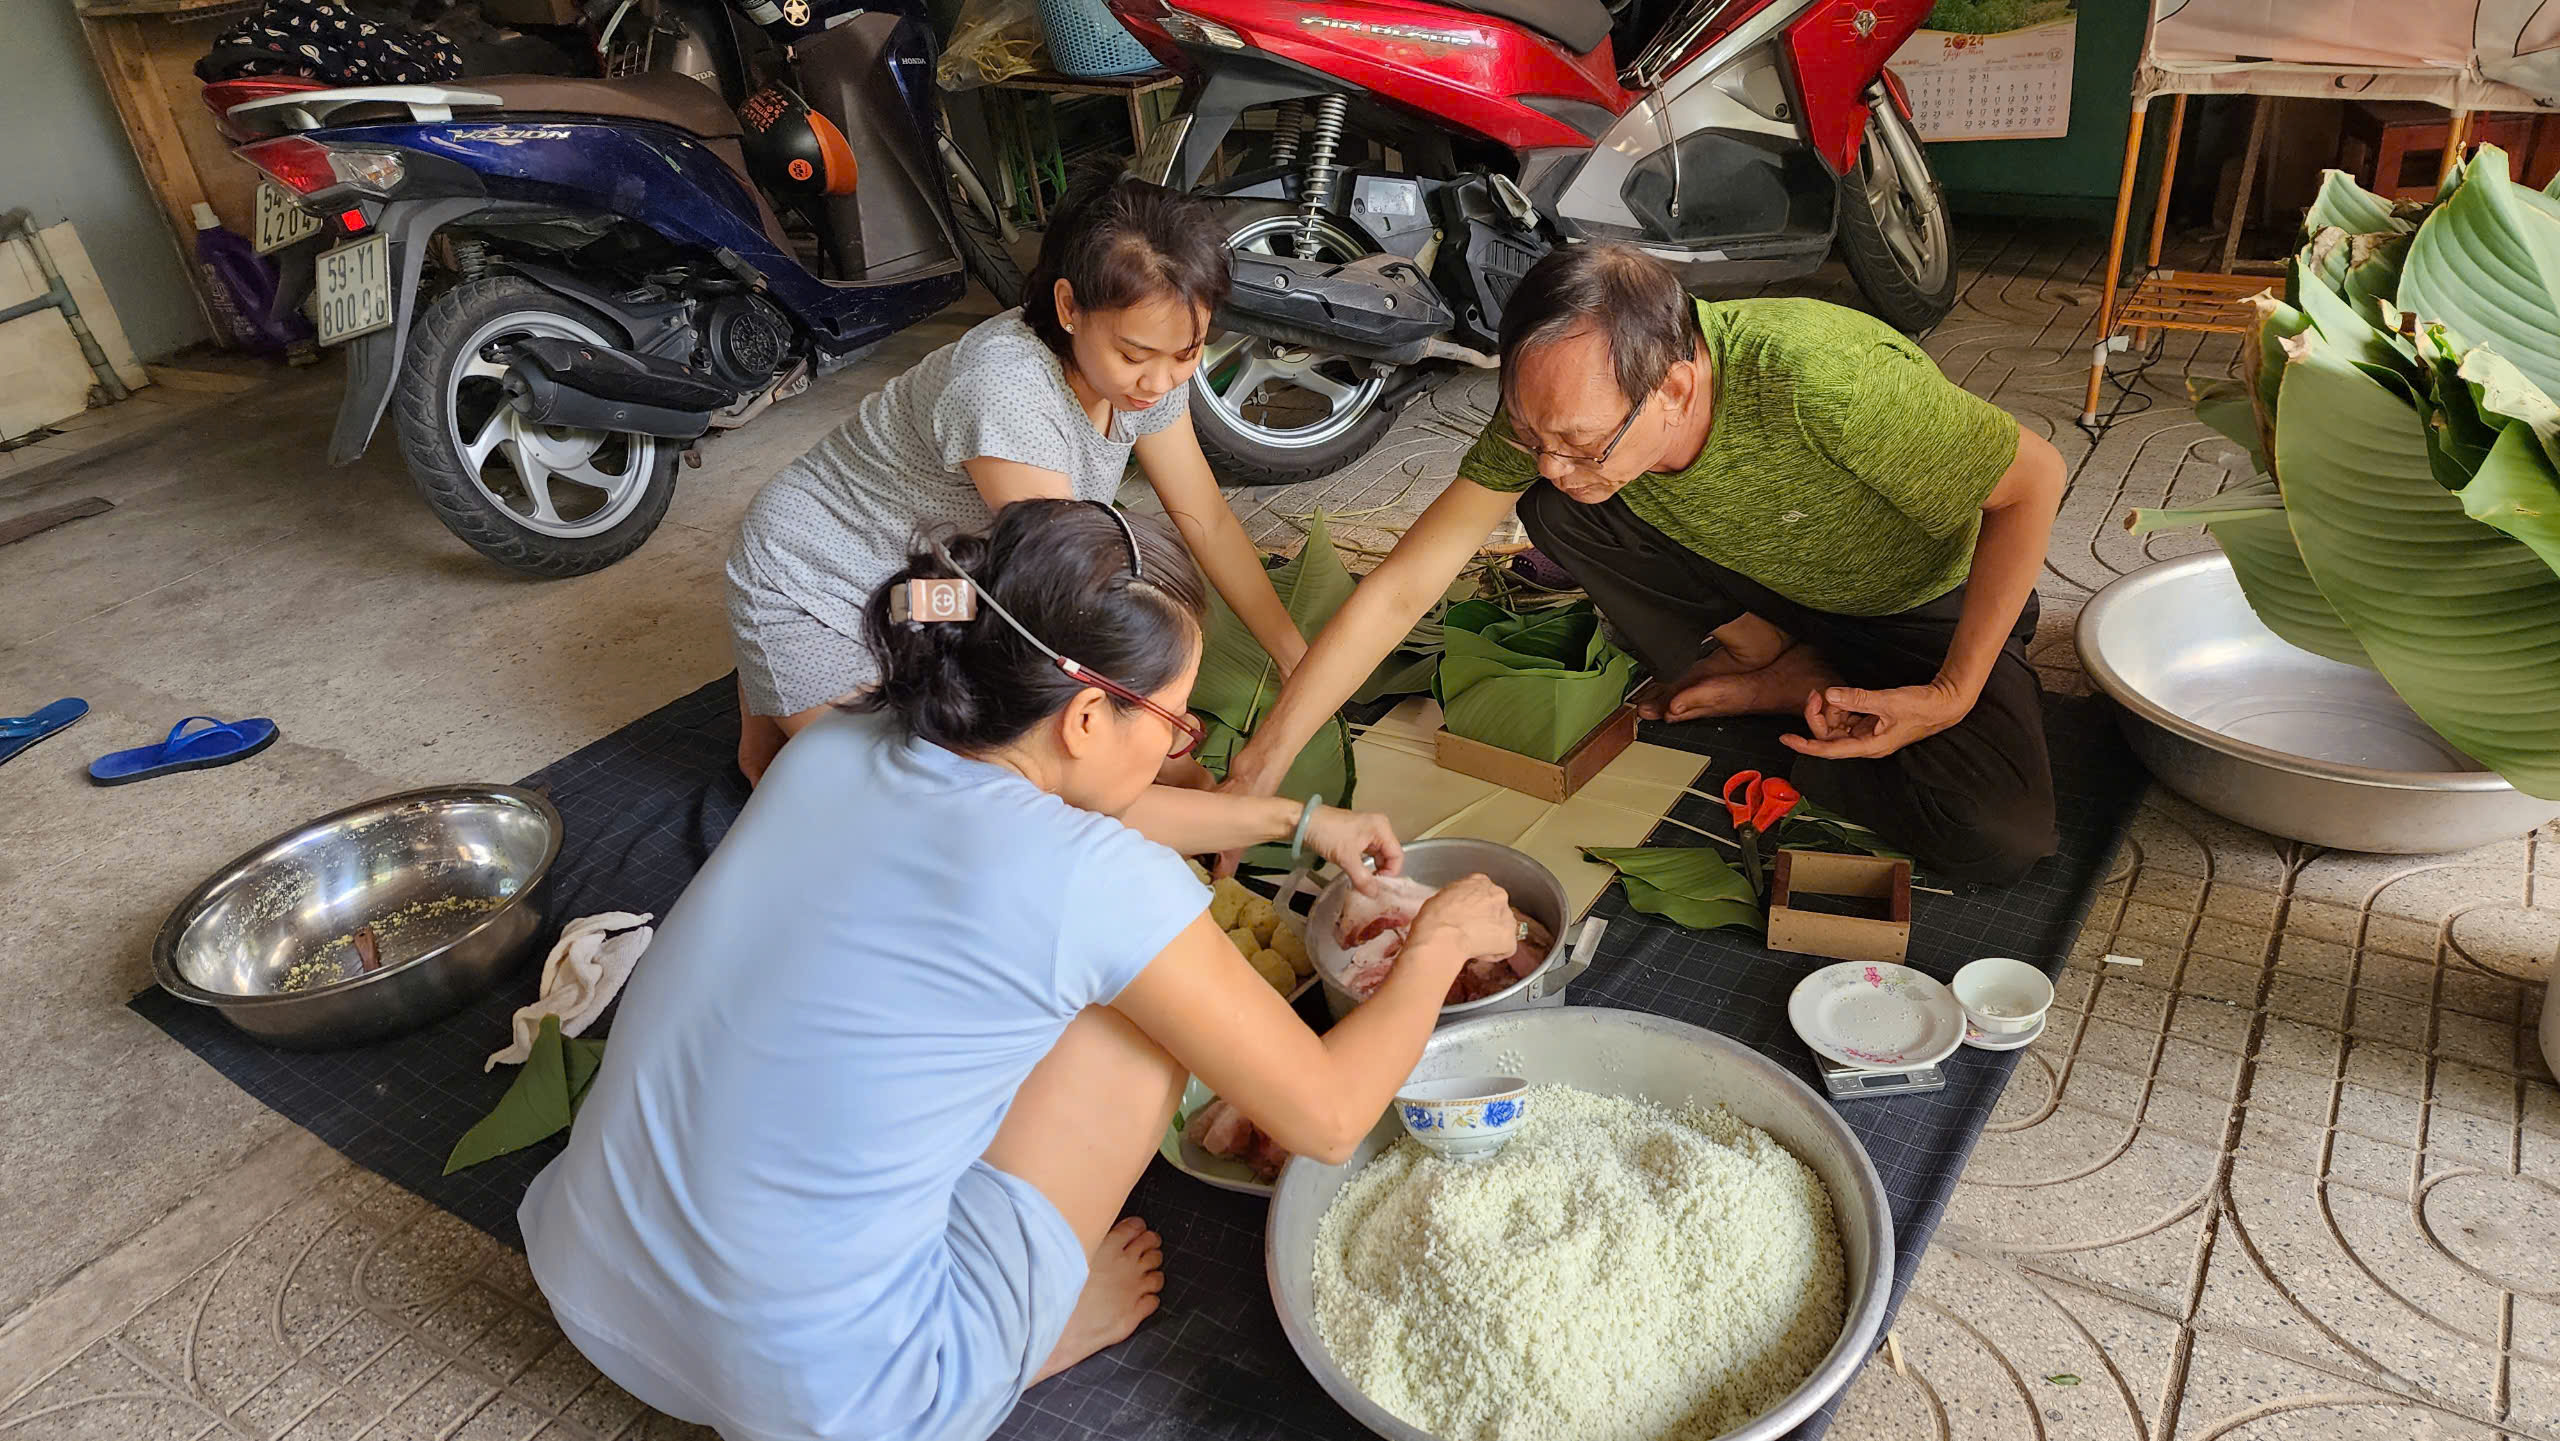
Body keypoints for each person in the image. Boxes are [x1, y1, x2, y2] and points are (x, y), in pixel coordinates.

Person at [523, 501, 1519, 1441]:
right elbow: (1330, 1115)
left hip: (591, 1286)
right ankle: (1023, 1333)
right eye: (1176, 722)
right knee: (1144, 1025)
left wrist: (1291, 820)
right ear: (1086, 718)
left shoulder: (832, 747)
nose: (1183, 743)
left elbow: (1066, 811)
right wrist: (1434, 941)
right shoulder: (1099, 883)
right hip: (837, 1397)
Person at [1222, 244, 2066, 884]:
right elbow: (1407, 583)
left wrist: (1952, 692)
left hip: (1921, 605)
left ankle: (1805, 686)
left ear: (1677, 386)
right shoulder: (1558, 409)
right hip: (1774, 583)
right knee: (1556, 508)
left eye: (1583, 441)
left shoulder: (1823, 383)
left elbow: (2036, 482)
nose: (1552, 456)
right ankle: (1778, 666)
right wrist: (1260, 764)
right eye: (1530, 434)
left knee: (2002, 835)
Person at [726, 175, 1309, 784]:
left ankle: (782, 697)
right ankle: (778, 657)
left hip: (933, 589)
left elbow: (1206, 520)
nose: (1161, 382)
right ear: (1068, 307)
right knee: (918, 793)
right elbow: (1058, 601)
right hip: (822, 576)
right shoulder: (1006, 391)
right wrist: (1170, 751)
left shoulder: (1148, 372)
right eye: (1135, 356)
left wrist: (1296, 660)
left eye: (1186, 353)